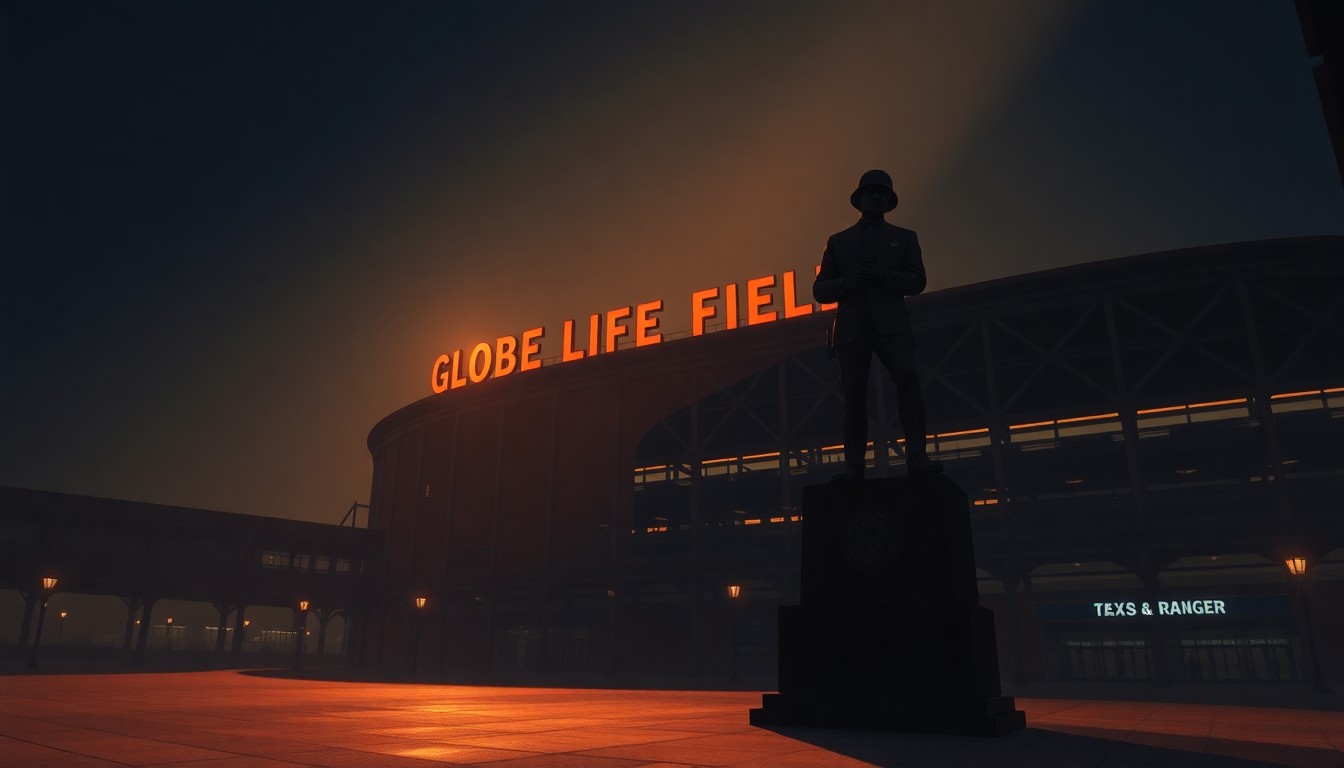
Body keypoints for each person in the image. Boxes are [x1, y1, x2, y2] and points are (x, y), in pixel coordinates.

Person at [813, 169, 942, 481]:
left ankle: (916, 455)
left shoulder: (904, 238)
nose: (875, 197)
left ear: (888, 201)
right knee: (854, 396)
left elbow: (917, 281)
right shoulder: (838, 241)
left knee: (908, 380)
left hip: (891, 324)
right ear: (860, 200)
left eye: (881, 193)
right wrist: (851, 282)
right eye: (870, 192)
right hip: (852, 327)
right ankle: (854, 467)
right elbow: (821, 289)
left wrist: (882, 277)